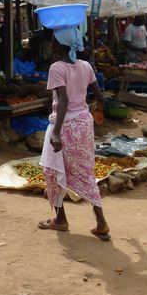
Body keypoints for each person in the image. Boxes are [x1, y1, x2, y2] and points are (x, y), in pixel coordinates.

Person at [36, 18, 110, 241]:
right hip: (83, 126)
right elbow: (100, 96)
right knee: (86, 172)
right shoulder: (86, 66)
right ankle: (101, 223)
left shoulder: (56, 68)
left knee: (53, 169)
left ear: (58, 46)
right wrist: (93, 109)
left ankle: (60, 219)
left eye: (53, 42)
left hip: (64, 126)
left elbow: (63, 100)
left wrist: (57, 132)